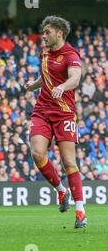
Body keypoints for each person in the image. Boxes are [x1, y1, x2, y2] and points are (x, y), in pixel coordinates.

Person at [24, 15, 86, 228]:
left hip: (65, 113)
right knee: (37, 153)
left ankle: (80, 211)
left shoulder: (70, 54)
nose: (44, 36)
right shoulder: (44, 53)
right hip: (42, 110)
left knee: (69, 161)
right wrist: (33, 85)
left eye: (47, 32)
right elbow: (47, 76)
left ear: (59, 33)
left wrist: (63, 87)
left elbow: (75, 78)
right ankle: (61, 190)